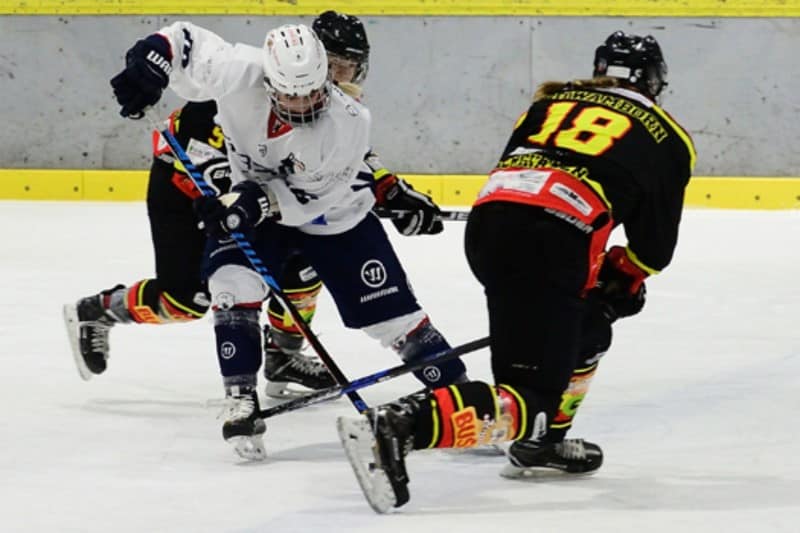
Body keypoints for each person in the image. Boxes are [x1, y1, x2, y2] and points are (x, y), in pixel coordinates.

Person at [336, 30, 696, 513]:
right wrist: (623, 276)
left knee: (585, 325)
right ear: (654, 81)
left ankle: (543, 442)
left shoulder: (548, 102)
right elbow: (654, 248)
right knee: (529, 397)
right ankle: (401, 425)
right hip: (553, 240)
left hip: (492, 227)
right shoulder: (667, 134)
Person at [106, 20, 469, 460]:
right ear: (269, 79)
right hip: (253, 202)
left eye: (315, 90)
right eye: (289, 94)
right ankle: (240, 395)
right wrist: (153, 57)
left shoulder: (350, 121)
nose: (301, 104)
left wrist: (246, 204)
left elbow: (307, 200)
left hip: (330, 218)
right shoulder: (243, 71)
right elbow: (189, 42)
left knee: (393, 319)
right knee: (230, 284)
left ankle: (464, 400)